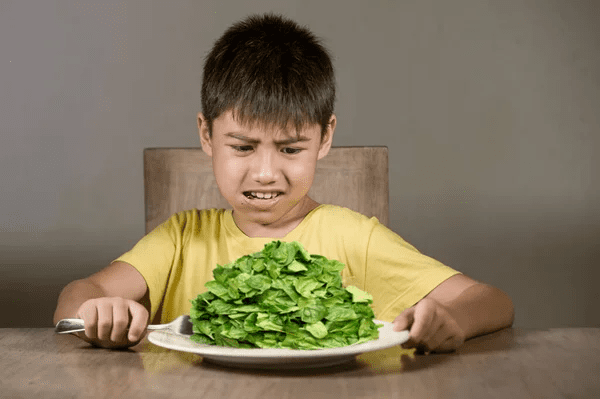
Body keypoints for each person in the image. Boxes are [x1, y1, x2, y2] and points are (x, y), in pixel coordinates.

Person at [53, 13, 514, 352]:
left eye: (290, 149)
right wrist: (99, 310)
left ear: (325, 136)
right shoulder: (180, 240)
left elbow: (492, 301)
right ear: (206, 134)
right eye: (242, 147)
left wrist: (451, 319)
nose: (267, 172)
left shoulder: (354, 238)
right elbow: (76, 297)